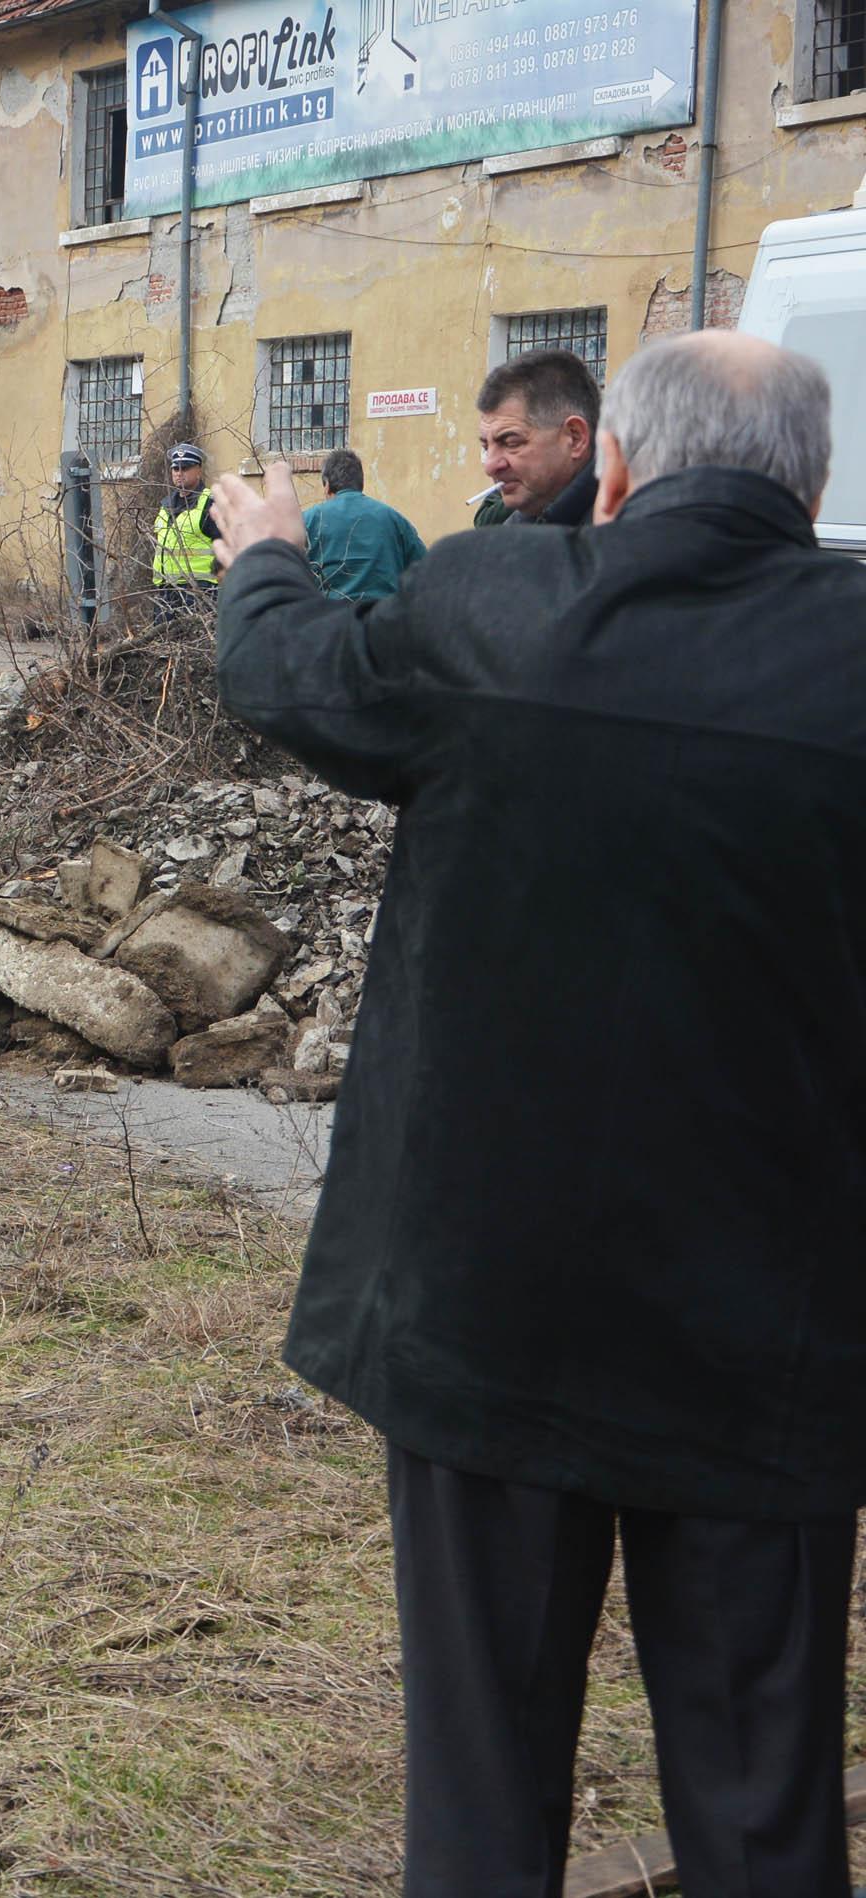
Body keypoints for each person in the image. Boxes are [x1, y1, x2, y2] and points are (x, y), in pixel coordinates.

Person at [207, 329, 866, 1897]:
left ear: (616, 467)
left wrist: (270, 555)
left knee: (486, 1793)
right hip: (766, 1347)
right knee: (765, 1799)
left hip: (484, 1325)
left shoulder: (491, 606)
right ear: (814, 482)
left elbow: (285, 672)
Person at [475, 347, 601, 527]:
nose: (490, 466)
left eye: (511, 443)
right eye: (486, 447)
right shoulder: (514, 533)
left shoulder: (634, 532)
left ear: (575, 438)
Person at [298, 448, 427, 602]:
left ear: (326, 486)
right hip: (383, 618)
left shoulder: (308, 520)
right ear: (360, 484)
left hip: (329, 619)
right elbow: (426, 570)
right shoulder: (395, 520)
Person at [148, 442, 218, 618]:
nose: (179, 473)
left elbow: (226, 547)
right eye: (176, 469)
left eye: (185, 468)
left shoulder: (210, 503)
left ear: (199, 470)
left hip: (199, 591)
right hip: (166, 590)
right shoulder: (166, 506)